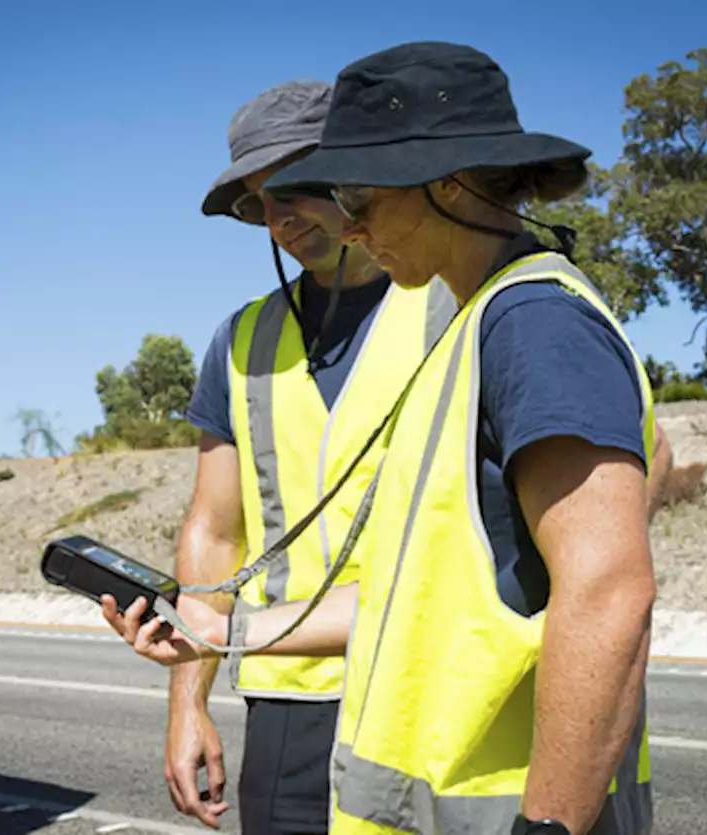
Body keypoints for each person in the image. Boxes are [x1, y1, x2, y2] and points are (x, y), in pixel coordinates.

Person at [108, 44, 675, 835]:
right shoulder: (468, 323)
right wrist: (224, 630)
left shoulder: (529, 323)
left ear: (445, 182)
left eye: (353, 191)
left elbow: (610, 590)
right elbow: (415, 587)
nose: (348, 217)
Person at [168, 79, 455, 834]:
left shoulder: (457, 302)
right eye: (256, 203)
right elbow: (215, 532)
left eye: (294, 186)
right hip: (289, 698)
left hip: (430, 686)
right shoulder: (242, 340)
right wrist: (187, 702)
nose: (278, 218)